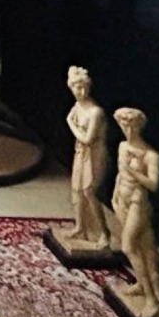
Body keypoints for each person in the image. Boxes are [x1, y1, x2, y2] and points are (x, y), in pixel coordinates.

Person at [111, 107, 159, 317]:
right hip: (123, 198)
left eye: (130, 125)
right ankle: (143, 285)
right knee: (145, 248)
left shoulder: (150, 155)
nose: (127, 129)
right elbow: (120, 174)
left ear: (139, 126)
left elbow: (153, 184)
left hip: (138, 202)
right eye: (123, 124)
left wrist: (134, 171)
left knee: (129, 246)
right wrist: (115, 195)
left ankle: (153, 300)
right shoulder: (122, 146)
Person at [62, 66, 109, 249]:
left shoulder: (95, 112)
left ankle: (104, 233)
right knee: (77, 191)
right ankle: (80, 227)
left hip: (94, 155)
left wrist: (70, 123)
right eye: (78, 87)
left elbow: (88, 139)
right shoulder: (78, 106)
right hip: (81, 153)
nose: (82, 92)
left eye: (85, 87)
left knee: (89, 192)